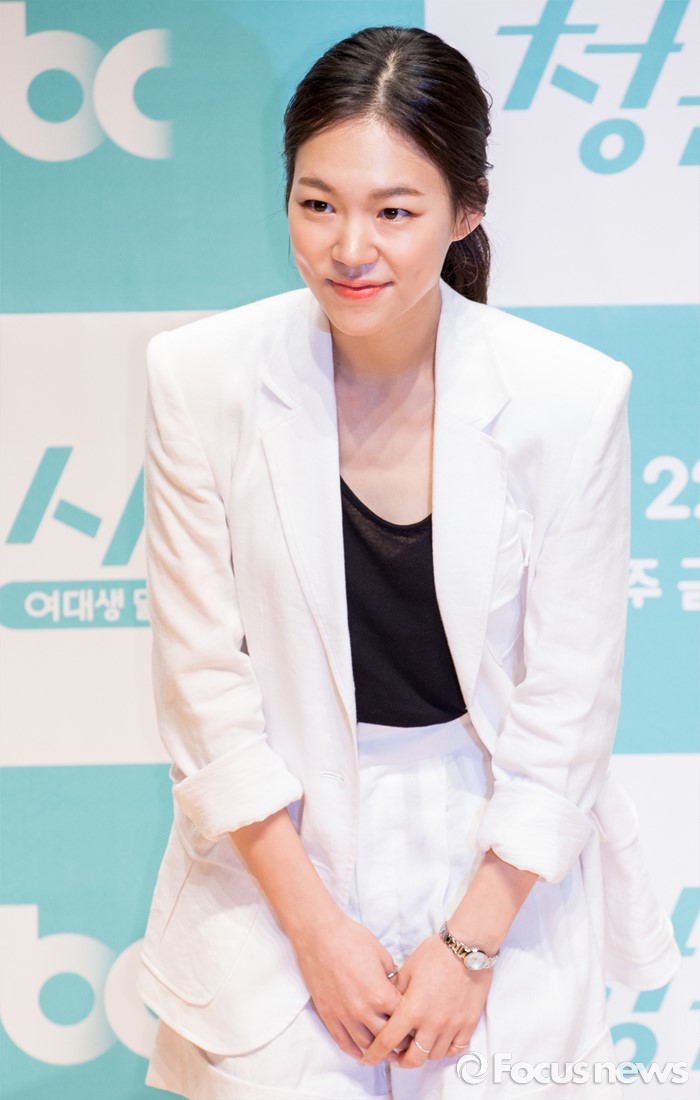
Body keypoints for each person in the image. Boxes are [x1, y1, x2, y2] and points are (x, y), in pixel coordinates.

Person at [138, 24, 679, 1100]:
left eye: (394, 212)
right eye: (317, 203)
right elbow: (202, 684)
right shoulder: (199, 377)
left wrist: (470, 944)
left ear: (465, 209)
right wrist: (313, 928)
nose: (350, 248)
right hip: (277, 858)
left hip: (498, 860)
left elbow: (568, 702)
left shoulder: (570, 398)